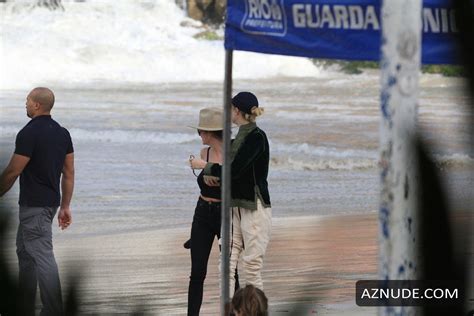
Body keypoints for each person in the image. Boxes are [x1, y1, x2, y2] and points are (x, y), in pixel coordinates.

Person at [0, 87, 74, 316]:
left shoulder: (29, 133)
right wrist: (65, 206)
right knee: (25, 252)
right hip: (49, 204)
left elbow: (13, 171)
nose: (25, 104)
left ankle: (54, 310)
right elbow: (69, 172)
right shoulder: (62, 133)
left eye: (27, 101)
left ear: (37, 105)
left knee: (41, 253)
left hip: (35, 205)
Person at [192, 92, 272, 295]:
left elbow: (234, 170)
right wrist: (212, 173)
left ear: (236, 110)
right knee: (225, 267)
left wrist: (205, 166)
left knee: (251, 269)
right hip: (234, 208)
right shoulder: (240, 138)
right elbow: (232, 172)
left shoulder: (256, 137)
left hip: (254, 208)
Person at [187, 107, 224, 316]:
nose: (199, 135)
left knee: (230, 271)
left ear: (209, 132)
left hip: (224, 214)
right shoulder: (204, 153)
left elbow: (234, 177)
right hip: (202, 212)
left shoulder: (232, 153)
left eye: (200, 131)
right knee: (197, 272)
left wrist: (206, 167)